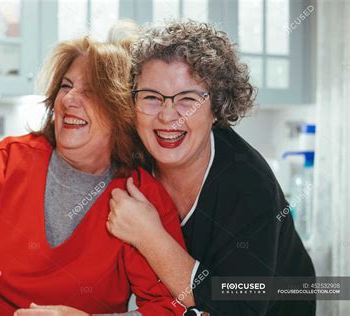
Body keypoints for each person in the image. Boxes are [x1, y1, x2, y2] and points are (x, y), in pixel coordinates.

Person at [0, 37, 186, 316]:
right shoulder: (5, 162)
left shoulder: (141, 197)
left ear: (121, 111)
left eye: (90, 92)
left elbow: (168, 306)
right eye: (65, 86)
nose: (68, 100)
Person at [107, 20, 316, 315]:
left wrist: (148, 235)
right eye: (151, 97)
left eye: (188, 100)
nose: (168, 116)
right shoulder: (135, 156)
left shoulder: (249, 184)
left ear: (216, 108)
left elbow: (237, 305)